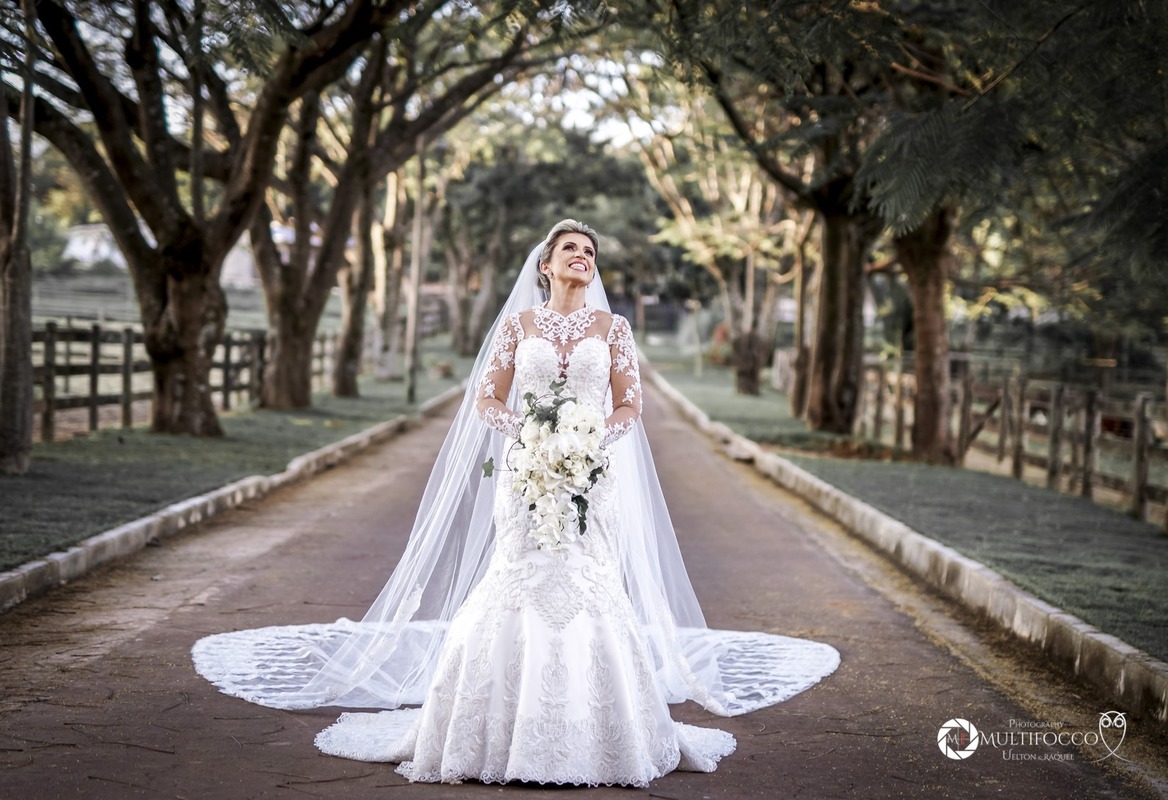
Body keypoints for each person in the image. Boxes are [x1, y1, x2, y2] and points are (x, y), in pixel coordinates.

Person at [193, 220, 840, 787]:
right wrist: (529, 437)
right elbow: (488, 399)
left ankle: (596, 732)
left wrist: (589, 447)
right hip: (525, 473)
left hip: (592, 478)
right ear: (546, 265)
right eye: (570, 248)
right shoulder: (518, 325)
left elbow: (629, 405)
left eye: (589, 250)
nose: (581, 256)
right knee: (518, 576)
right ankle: (491, 730)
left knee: (585, 581)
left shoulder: (614, 329)